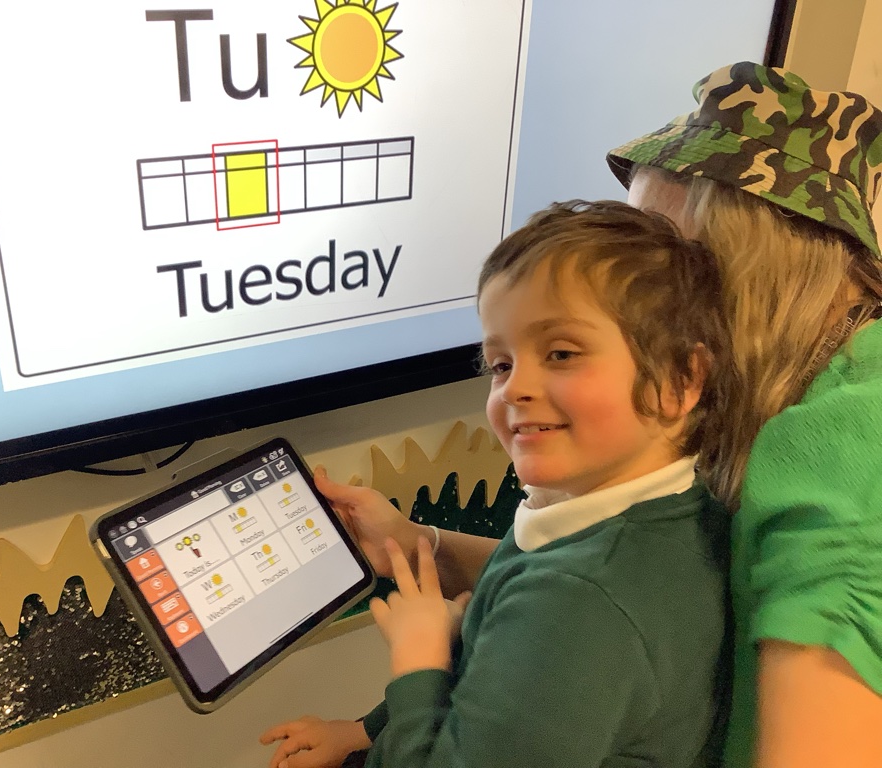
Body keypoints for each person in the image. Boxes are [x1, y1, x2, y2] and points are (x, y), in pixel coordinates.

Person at [260, 199, 733, 768]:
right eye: (501, 364)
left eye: (561, 353)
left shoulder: (577, 603)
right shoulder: (626, 512)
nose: (513, 389)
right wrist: (363, 731)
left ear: (681, 380)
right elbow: (495, 669)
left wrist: (418, 662)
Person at [605, 61, 882, 768]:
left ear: (748, 264)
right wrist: (423, 548)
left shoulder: (839, 443)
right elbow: (630, 587)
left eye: (650, 268)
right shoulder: (811, 378)